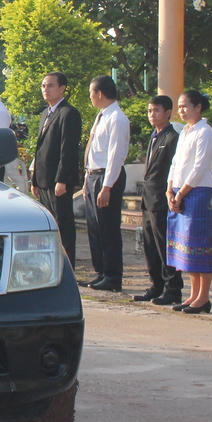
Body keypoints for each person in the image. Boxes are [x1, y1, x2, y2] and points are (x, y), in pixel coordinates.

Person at [166, 89, 212, 314]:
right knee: (185, 247)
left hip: (197, 192)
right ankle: (193, 294)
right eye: (179, 106)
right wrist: (170, 190)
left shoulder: (205, 131)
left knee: (199, 245)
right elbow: (175, 163)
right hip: (179, 191)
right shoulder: (185, 131)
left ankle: (203, 297)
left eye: (185, 106)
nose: (182, 110)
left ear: (198, 107)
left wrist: (181, 194)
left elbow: (200, 167)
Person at [83, 75, 130, 292]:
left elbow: (115, 156)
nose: (90, 97)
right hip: (93, 175)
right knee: (94, 227)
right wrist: (87, 179)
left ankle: (112, 275)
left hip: (107, 176)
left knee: (108, 228)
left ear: (99, 93)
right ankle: (100, 271)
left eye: (91, 93)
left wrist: (107, 186)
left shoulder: (117, 118)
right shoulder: (101, 116)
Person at [135, 95, 183, 305]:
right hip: (148, 199)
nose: (151, 115)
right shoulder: (154, 136)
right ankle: (156, 285)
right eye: (149, 111)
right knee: (150, 245)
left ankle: (173, 288)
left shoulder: (172, 138)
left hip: (162, 199)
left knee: (164, 245)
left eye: (156, 110)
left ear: (168, 112)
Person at [30, 72, 82, 263]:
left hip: (58, 182)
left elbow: (67, 150)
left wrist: (62, 179)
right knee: (47, 226)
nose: (46, 89)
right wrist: (34, 180)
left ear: (62, 88)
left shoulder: (68, 113)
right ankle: (49, 265)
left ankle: (66, 266)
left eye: (50, 85)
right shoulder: (46, 113)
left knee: (63, 226)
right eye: (43, 85)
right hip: (43, 180)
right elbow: (39, 149)